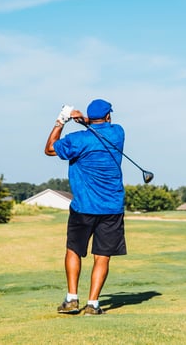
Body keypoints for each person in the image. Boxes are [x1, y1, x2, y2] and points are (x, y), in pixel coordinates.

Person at [44, 99, 127, 316]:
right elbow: (99, 126)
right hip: (111, 208)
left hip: (83, 207)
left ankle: (72, 300)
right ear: (108, 116)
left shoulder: (77, 140)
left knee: (74, 250)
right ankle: (93, 305)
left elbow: (49, 148)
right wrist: (84, 120)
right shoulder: (118, 133)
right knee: (102, 256)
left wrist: (63, 119)